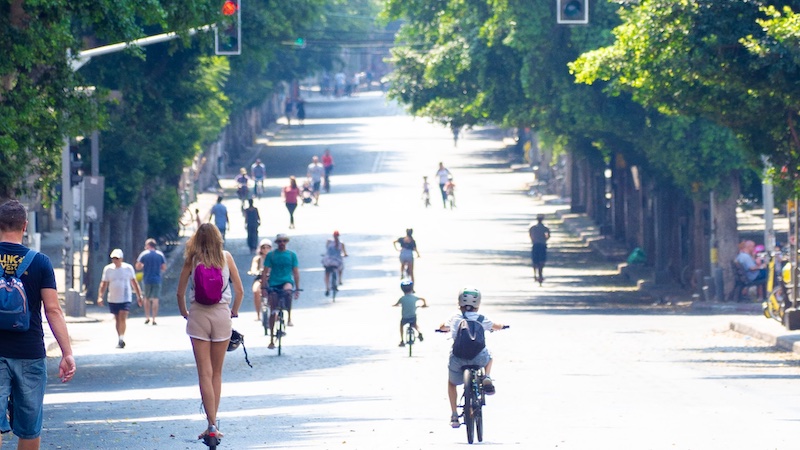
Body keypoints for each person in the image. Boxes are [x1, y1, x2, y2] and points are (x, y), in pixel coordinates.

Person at [0, 200, 76, 449]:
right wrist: (67, 353)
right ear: (24, 225)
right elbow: (53, 310)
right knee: (30, 429)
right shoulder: (40, 262)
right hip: (30, 352)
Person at [176, 223, 244, 442]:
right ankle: (215, 423)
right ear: (218, 238)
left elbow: (179, 293)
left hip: (198, 317)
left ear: (197, 239)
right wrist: (233, 311)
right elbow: (240, 291)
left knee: (204, 372)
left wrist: (185, 312)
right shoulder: (226, 258)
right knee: (217, 372)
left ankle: (211, 424)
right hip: (222, 317)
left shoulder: (192, 260)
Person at [437, 287, 505, 428]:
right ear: (478, 303)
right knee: (490, 356)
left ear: (459, 301)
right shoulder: (481, 318)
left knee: (451, 383)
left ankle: (454, 415)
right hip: (478, 357)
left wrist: (443, 328)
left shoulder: (455, 317)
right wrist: (502, 326)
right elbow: (496, 326)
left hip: (458, 358)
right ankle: (487, 376)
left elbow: (442, 326)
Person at [261, 233, 301, 349]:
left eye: (284, 241)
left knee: (288, 292)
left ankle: (289, 317)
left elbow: (296, 272)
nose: (282, 243)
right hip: (274, 283)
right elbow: (265, 272)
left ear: (286, 242)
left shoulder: (292, 255)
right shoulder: (271, 255)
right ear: (277, 243)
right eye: (279, 241)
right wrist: (264, 287)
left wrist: (297, 288)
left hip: (286, 281)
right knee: (273, 310)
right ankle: (272, 339)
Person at [98, 248, 144, 349]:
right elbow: (104, 283)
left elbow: (134, 282)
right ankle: (119, 337)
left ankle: (122, 338)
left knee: (123, 317)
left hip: (125, 297)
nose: (115, 260)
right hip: (113, 298)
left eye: (117, 258)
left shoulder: (128, 268)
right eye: (113, 258)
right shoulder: (108, 269)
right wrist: (100, 296)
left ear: (121, 259)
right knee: (117, 319)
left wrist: (139, 295)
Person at [135, 238, 167, 325]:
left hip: (147, 279)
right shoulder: (160, 255)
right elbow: (164, 268)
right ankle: (154, 319)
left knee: (147, 298)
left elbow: (137, 266)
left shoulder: (144, 254)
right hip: (157, 279)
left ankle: (147, 317)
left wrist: (143, 266)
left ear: (148, 245)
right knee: (156, 299)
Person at [393, 280, 427, 346]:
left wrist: (394, 305)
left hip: (405, 317)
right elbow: (423, 299)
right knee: (415, 325)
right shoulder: (414, 297)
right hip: (413, 316)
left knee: (401, 326)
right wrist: (424, 305)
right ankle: (419, 332)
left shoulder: (402, 298)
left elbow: (397, 304)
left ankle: (402, 340)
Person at [248, 239, 272, 322]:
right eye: (263, 247)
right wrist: (254, 271)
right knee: (256, 290)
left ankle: (275, 312)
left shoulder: (273, 257)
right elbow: (253, 267)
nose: (265, 249)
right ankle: (258, 314)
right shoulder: (257, 258)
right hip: (260, 278)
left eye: (267, 247)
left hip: (271, 279)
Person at [322, 231, 348, 296]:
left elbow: (327, 249)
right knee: (341, 268)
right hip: (337, 261)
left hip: (328, 261)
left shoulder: (329, 241)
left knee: (327, 273)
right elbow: (345, 253)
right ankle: (339, 280)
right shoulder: (341, 244)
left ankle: (327, 287)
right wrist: (344, 255)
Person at [528, 214, 551, 284]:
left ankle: (535, 275)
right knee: (542, 260)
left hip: (535, 245)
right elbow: (548, 235)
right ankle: (540, 274)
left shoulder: (533, 227)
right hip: (542, 245)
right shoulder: (545, 228)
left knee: (535, 260)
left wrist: (533, 240)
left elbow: (530, 234)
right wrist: (544, 240)